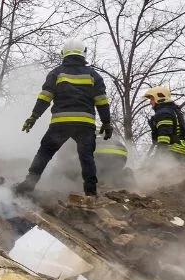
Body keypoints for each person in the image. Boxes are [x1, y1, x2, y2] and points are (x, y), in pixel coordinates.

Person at [14, 38, 112, 197]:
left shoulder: (56, 73)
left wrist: (33, 117)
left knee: (44, 153)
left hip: (61, 123)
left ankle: (28, 185)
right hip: (85, 124)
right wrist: (107, 123)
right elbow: (101, 101)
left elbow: (45, 98)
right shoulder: (94, 75)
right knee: (86, 157)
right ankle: (91, 192)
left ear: (63, 53)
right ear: (83, 53)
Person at [144, 86, 185, 159]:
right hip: (182, 151)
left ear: (159, 97)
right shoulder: (173, 110)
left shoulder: (164, 113)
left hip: (172, 152)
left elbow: (164, 136)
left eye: (152, 99)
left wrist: (160, 155)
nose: (150, 102)